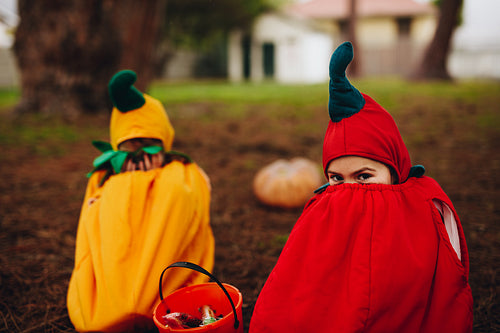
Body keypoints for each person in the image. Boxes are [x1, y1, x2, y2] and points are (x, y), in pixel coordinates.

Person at [249, 42, 473, 332]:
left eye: (364, 177)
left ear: (395, 172)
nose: (349, 189)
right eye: (337, 179)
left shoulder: (420, 213)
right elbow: (298, 287)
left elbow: (437, 288)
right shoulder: (322, 216)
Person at [67, 70, 215, 332]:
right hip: (114, 270)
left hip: (164, 270)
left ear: (164, 145)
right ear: (115, 149)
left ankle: (154, 299)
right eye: (128, 149)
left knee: (175, 191)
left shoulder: (181, 172)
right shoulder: (103, 178)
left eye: (148, 146)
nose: (138, 159)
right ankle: (115, 302)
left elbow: (192, 213)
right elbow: (92, 232)